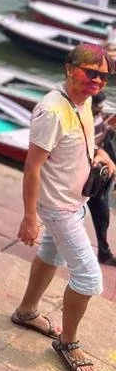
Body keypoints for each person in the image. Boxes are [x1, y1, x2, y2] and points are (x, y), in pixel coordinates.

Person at [12, 44, 116, 371]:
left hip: (74, 200)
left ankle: (26, 311)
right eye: (91, 72)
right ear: (70, 68)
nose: (98, 81)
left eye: (104, 76)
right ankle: (68, 342)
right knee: (89, 278)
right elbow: (32, 167)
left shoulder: (80, 103)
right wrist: (30, 217)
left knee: (50, 255)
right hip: (58, 208)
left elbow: (83, 143)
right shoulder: (52, 111)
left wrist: (101, 155)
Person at [86, 92, 116, 266]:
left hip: (96, 177)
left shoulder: (98, 115)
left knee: (103, 216)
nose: (101, 108)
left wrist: (107, 129)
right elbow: (87, 143)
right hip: (84, 175)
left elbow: (102, 128)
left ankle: (104, 253)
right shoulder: (83, 117)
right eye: (98, 105)